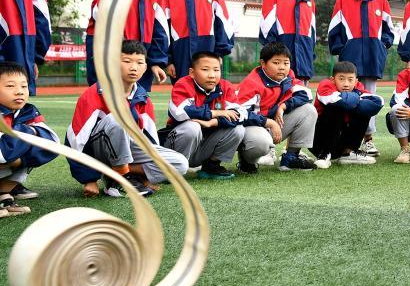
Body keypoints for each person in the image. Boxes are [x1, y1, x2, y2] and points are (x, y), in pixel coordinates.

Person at [65, 40, 188, 198]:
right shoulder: (95, 93)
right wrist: (88, 178)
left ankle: (118, 172)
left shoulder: (143, 97)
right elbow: (74, 139)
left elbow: (149, 139)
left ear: (145, 67)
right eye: (127, 61)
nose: (133, 67)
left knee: (180, 164)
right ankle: (118, 179)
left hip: (129, 149)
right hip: (98, 151)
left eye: (140, 62)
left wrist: (146, 175)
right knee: (120, 118)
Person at [328, 0, 394, 156]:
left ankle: (368, 140)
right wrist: (342, 49)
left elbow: (389, 29)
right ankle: (345, 140)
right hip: (350, 60)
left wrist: (382, 46)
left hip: (373, 57)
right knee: (346, 97)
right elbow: (334, 28)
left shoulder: (381, 0)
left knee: (369, 97)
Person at [234, 41, 319, 172]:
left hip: (274, 125)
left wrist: (283, 106)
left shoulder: (288, 76)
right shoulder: (252, 83)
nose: (282, 67)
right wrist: (269, 123)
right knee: (260, 142)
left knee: (308, 110)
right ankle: (246, 162)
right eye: (276, 62)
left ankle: (291, 158)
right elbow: (239, 114)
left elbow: (306, 94)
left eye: (286, 63)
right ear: (263, 63)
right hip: (253, 129)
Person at [162, 52, 246, 180]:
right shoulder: (183, 84)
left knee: (238, 130)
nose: (212, 75)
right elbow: (179, 112)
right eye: (205, 70)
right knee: (192, 127)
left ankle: (211, 166)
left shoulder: (225, 86)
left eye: (216, 70)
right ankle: (171, 171)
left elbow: (241, 114)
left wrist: (214, 122)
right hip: (178, 145)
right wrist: (214, 113)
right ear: (192, 72)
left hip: (203, 147)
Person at [0, 61, 58, 216]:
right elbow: (2, 154)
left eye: (24, 86)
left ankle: (3, 195)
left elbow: (53, 143)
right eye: (10, 86)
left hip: (6, 159)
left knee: (35, 146)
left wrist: (29, 132)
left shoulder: (27, 112)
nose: (19, 92)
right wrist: (29, 133)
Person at [311, 60, 382, 165]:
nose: (346, 84)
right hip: (317, 140)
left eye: (350, 80)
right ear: (333, 79)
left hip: (340, 141)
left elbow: (377, 102)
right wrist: (356, 96)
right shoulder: (325, 85)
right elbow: (338, 101)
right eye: (341, 79)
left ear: (356, 81)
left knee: (363, 110)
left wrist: (353, 99)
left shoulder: (359, 86)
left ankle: (348, 152)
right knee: (336, 107)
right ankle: (324, 154)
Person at [260, 0, 317, 83]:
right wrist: (273, 58)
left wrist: (309, 56)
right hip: (280, 63)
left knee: (302, 99)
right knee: (280, 100)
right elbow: (266, 29)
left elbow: (312, 33)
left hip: (303, 62)